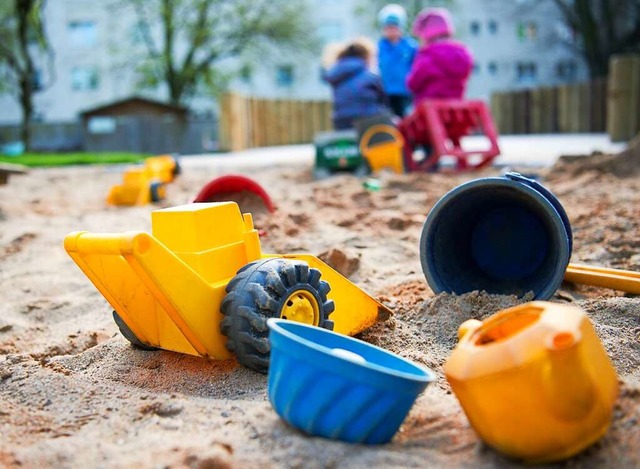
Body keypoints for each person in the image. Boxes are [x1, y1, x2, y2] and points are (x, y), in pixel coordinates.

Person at [406, 7, 473, 107]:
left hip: (429, 109)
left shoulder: (428, 55)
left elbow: (413, 83)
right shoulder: (462, 54)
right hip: (454, 107)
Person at [322, 39, 388, 130]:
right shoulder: (371, 75)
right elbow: (383, 100)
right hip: (369, 118)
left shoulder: (336, 73)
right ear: (366, 56)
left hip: (341, 119)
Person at [377, 4, 417, 118]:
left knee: (405, 119)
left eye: (394, 27)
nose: (391, 30)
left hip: (405, 92)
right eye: (388, 27)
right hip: (385, 92)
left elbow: (417, 67)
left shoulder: (410, 46)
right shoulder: (379, 47)